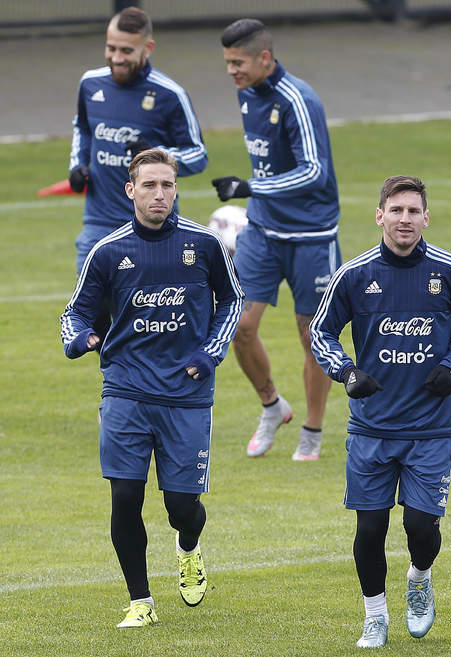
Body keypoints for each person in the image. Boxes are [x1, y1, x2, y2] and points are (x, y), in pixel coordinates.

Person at [59, 149, 244, 628]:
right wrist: (80, 339)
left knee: (182, 508)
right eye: (148, 185)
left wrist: (209, 354)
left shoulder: (204, 244)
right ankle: (140, 601)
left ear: (176, 189)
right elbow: (74, 312)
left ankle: (188, 547)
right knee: (125, 496)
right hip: (125, 391)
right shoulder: (108, 251)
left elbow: (232, 301)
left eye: (166, 185)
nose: (158, 194)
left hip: (186, 395)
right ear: (131, 191)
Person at [309, 176, 451, 648]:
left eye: (413, 211)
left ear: (426, 218)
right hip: (372, 426)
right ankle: (375, 616)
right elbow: (320, 332)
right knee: (370, 527)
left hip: (431, 425)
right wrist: (346, 372)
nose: (404, 219)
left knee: (420, 528)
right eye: (396, 210)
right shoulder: (354, 275)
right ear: (380, 216)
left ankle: (420, 578)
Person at [214, 18, 341, 462]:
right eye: (227, 62)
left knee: (313, 338)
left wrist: (251, 187)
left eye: (238, 62)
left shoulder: (298, 100)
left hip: (311, 236)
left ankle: (312, 432)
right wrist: (256, 195)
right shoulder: (247, 93)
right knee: (239, 326)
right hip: (262, 232)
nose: (231, 71)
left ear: (264, 58)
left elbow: (314, 171)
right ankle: (272, 406)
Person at [69, 6, 207, 273]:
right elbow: (83, 128)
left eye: (126, 51)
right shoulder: (90, 83)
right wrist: (77, 164)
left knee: (153, 300)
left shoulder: (170, 94)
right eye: (111, 48)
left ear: (148, 48)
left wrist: (157, 154)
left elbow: (198, 155)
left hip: (154, 227)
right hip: (99, 224)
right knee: (89, 300)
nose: (116, 58)